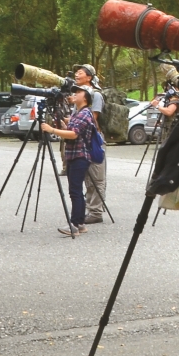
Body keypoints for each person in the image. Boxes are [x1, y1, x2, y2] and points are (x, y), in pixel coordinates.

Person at [41, 85, 98, 237]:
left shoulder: (85, 113)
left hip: (80, 156)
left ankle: (74, 225)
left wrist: (52, 130)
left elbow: (73, 134)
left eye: (79, 92)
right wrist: (61, 123)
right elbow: (71, 131)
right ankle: (80, 223)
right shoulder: (78, 113)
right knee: (76, 190)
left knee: (75, 191)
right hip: (74, 155)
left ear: (86, 97)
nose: (75, 94)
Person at [74, 65, 108, 224]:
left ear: (89, 77)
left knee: (97, 177)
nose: (76, 74)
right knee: (88, 177)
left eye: (80, 72)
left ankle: (96, 212)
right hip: (83, 140)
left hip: (94, 140)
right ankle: (90, 209)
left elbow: (92, 119)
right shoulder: (79, 95)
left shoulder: (96, 95)